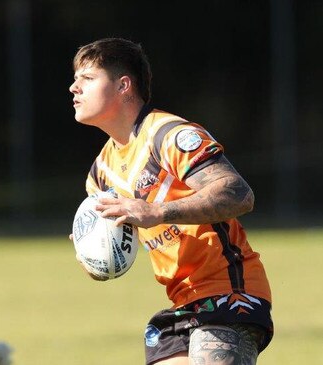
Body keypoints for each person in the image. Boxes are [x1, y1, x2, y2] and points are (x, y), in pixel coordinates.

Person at [68, 38, 273, 365]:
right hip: (181, 305)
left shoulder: (168, 135)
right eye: (76, 79)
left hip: (227, 292)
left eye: (87, 78)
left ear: (123, 85)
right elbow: (111, 258)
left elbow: (237, 193)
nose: (73, 87)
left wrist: (157, 211)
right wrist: (91, 254)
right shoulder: (100, 174)